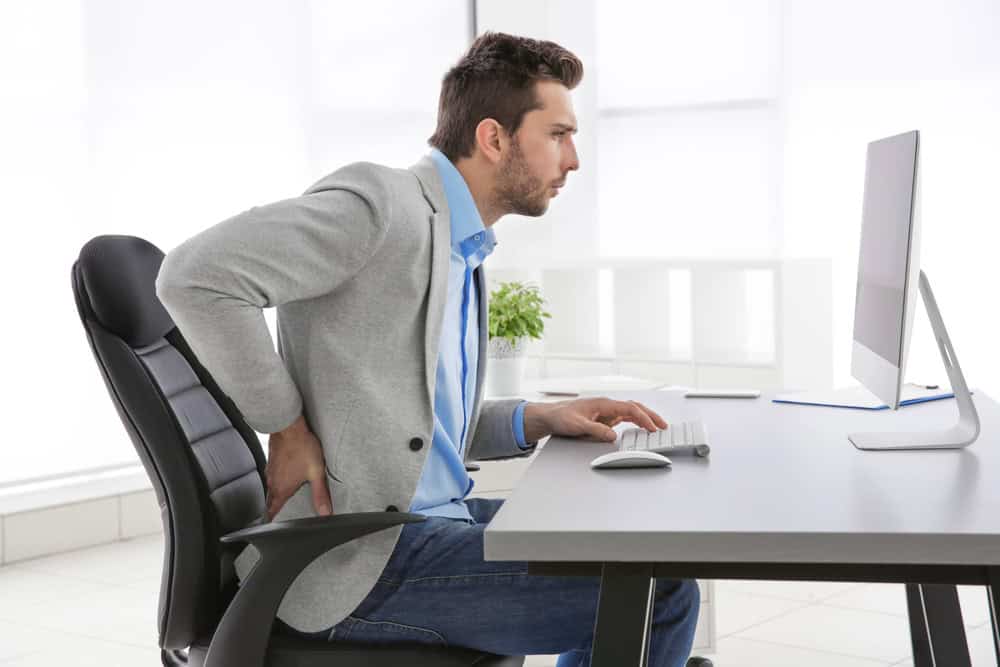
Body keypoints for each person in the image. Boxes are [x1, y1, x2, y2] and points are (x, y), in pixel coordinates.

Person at [155, 30, 699, 667]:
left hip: (433, 523)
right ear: (494, 138)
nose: (573, 159)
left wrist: (537, 419)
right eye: (557, 135)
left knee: (640, 546)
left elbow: (414, 429)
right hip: (364, 557)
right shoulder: (382, 207)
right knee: (659, 591)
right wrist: (284, 423)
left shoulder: (461, 246)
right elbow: (193, 275)